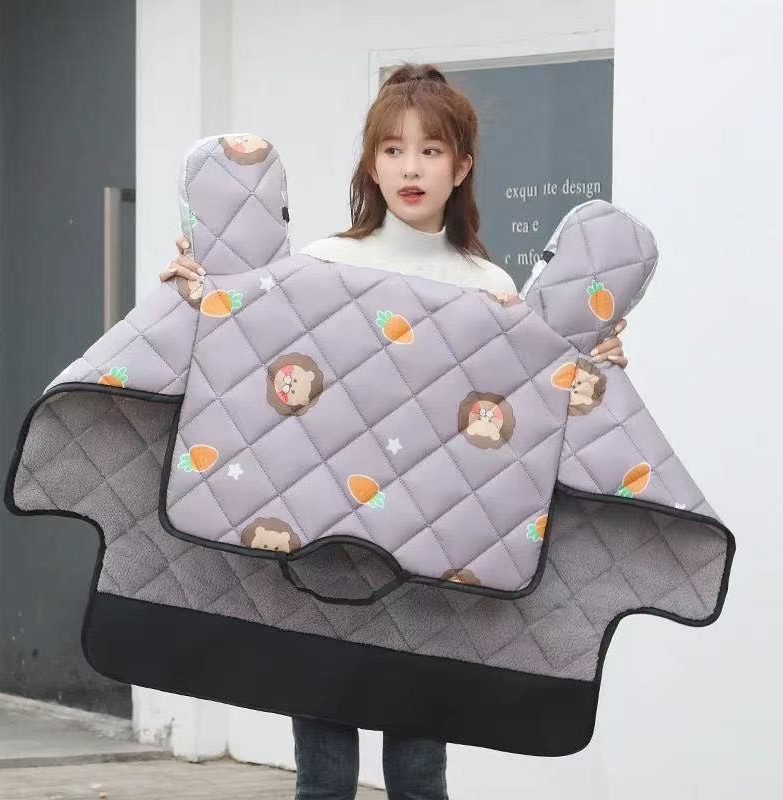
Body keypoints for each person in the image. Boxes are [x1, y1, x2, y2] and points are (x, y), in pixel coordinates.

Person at [159, 62, 627, 800]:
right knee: (324, 774)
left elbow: (527, 415)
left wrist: (594, 365)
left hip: (433, 563)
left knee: (417, 772)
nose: (411, 168)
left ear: (460, 167)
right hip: (324, 550)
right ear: (371, 165)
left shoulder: (491, 289)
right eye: (393, 149)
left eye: (431, 150)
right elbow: (250, 363)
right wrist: (200, 290)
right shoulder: (320, 265)